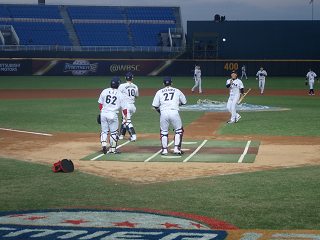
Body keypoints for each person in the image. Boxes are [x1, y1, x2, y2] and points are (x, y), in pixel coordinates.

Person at [152, 76, 187, 155]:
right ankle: (176, 149)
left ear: (163, 84)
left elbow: (155, 105)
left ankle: (164, 150)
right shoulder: (177, 90)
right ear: (171, 83)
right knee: (179, 130)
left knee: (164, 132)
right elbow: (184, 101)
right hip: (174, 112)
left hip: (164, 112)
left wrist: (160, 112)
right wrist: (179, 103)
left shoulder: (159, 92)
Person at [98, 77, 127, 154]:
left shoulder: (104, 91)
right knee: (114, 132)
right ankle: (113, 149)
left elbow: (101, 104)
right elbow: (124, 108)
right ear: (118, 84)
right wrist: (126, 116)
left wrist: (101, 112)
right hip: (112, 114)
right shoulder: (120, 94)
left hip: (104, 113)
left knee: (104, 131)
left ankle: (104, 145)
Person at [118, 72, 139, 141]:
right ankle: (121, 135)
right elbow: (137, 96)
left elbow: (117, 94)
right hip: (132, 106)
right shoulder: (135, 86)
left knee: (127, 121)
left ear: (125, 77)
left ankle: (133, 136)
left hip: (126, 106)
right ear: (132, 78)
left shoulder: (122, 86)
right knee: (124, 119)